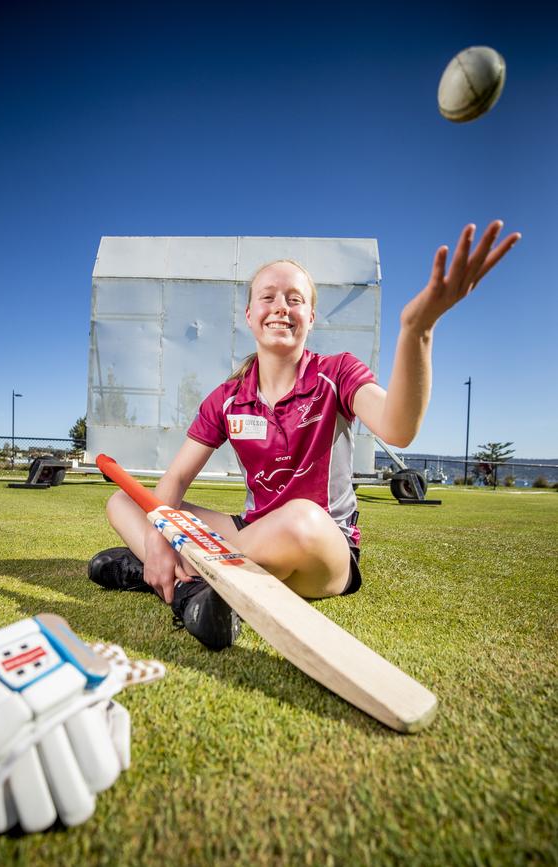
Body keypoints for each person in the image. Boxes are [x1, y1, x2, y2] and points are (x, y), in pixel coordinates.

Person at [89, 221, 520, 650]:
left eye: (295, 299)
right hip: (251, 534)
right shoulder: (226, 398)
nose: (281, 307)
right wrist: (157, 539)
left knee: (300, 519)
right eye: (268, 297)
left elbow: (399, 428)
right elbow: (176, 481)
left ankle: (178, 574)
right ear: (249, 315)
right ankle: (190, 592)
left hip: (321, 544)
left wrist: (417, 330)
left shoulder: (337, 373)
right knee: (125, 501)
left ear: (310, 316)